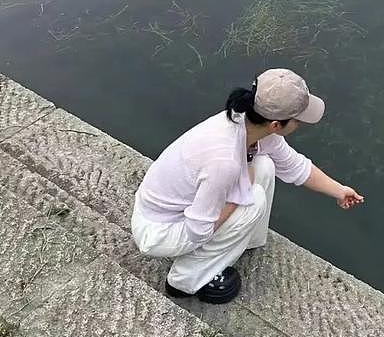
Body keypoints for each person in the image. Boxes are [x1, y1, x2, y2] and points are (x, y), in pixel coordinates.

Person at [130, 67, 364, 304]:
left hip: (182, 205)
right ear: (275, 124)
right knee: (253, 201)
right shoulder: (224, 160)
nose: (299, 124)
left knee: (264, 166)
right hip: (159, 230)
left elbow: (295, 167)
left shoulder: (246, 121)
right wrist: (238, 198)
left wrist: (340, 190)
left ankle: (245, 241)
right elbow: (198, 229)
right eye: (296, 120)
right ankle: (185, 280)